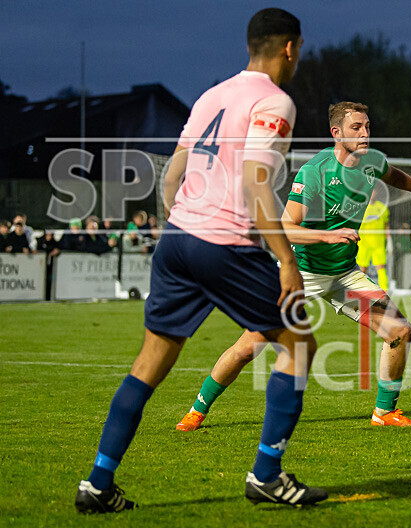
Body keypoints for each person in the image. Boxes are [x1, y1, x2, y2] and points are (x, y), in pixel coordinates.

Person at [74, 8, 328, 513]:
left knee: (149, 365)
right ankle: (266, 475)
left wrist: (180, 224)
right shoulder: (275, 100)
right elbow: (257, 182)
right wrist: (286, 260)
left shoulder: (213, 94)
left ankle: (98, 484)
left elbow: (172, 173)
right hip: (224, 243)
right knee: (299, 345)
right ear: (291, 48)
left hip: (177, 240)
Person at [175, 101, 411, 433]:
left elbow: (393, 175)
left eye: (367, 127)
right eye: (356, 128)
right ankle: (197, 410)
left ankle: (385, 411)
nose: (365, 134)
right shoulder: (316, 172)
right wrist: (327, 236)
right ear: (336, 133)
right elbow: (284, 227)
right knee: (249, 346)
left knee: (399, 332)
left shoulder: (373, 161)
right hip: (302, 273)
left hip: (344, 274)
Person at [356, 187, 391, 290]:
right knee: (362, 269)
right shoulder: (360, 207)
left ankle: (385, 292)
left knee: (381, 268)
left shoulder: (382, 207)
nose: (372, 193)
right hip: (363, 244)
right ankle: (361, 291)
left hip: (378, 244)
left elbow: (386, 225)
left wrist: (389, 239)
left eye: (373, 191)